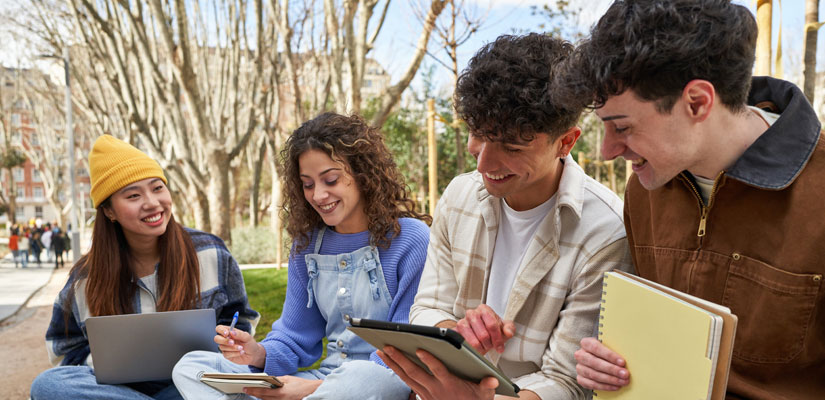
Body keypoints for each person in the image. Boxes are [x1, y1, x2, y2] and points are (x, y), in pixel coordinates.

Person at [556, 1, 825, 398]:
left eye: (623, 128)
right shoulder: (644, 189)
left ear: (698, 101)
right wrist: (612, 365)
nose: (608, 152)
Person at [379, 33, 633, 400]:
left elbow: (567, 380)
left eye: (512, 147)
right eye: (477, 135)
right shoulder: (460, 196)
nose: (483, 163)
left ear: (566, 142)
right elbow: (428, 306)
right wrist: (455, 334)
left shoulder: (605, 232)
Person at [172, 113, 432, 400]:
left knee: (362, 378)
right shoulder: (307, 245)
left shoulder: (410, 239)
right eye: (308, 184)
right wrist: (256, 353)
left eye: (330, 180)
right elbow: (295, 336)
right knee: (192, 366)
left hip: (380, 380)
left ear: (363, 174)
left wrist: (307, 390)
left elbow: (404, 352)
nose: (319, 195)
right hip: (325, 381)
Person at [30, 135, 259, 400]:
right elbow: (64, 350)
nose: (152, 202)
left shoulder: (210, 251)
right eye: (134, 195)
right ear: (109, 211)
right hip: (121, 392)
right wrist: (108, 365)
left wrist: (229, 339)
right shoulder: (85, 279)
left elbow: (241, 318)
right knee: (47, 385)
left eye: (157, 187)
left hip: (194, 384)